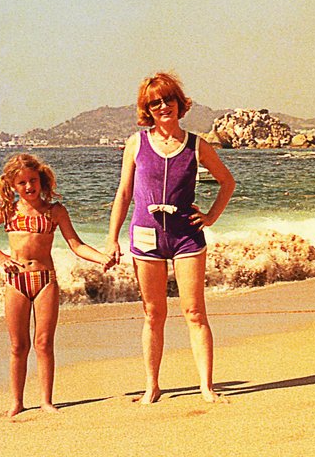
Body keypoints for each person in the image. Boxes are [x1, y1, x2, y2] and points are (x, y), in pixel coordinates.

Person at [106, 72, 235, 404]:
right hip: (146, 237)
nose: (163, 106)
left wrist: (209, 217)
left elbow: (227, 182)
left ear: (179, 103)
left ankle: (206, 386)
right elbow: (123, 194)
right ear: (147, 109)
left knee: (194, 312)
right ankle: (152, 385)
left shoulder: (196, 145)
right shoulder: (136, 143)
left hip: (186, 238)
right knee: (153, 313)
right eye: (155, 102)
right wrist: (112, 238)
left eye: (168, 100)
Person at [0, 153, 115, 416]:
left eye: (33, 180)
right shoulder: (7, 211)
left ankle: (46, 401)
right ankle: (16, 402)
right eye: (22, 183)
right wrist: (0, 256)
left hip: (45, 281)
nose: (28, 186)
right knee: (18, 346)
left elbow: (76, 244)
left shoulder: (55, 211)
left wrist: (101, 258)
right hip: (16, 281)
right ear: (12, 186)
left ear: (42, 180)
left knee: (44, 342)